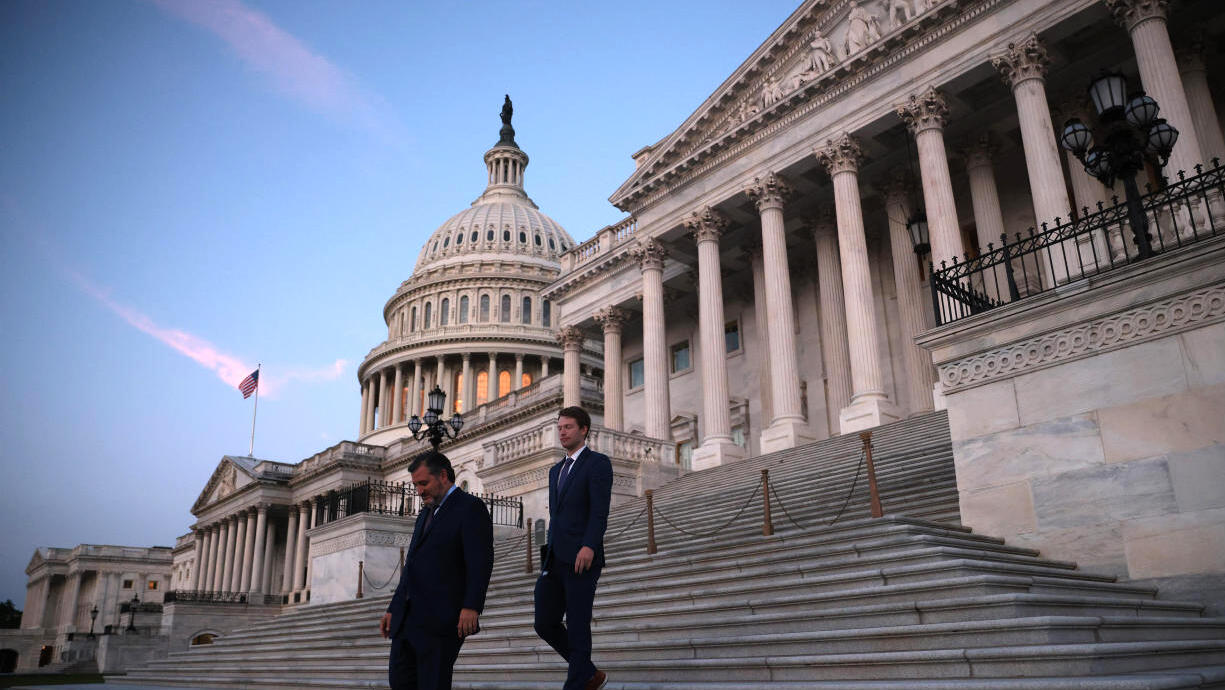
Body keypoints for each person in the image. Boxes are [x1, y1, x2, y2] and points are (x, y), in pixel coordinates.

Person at [380, 451, 493, 690]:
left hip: (442, 619)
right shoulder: (425, 513)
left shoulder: (470, 508)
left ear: (443, 476)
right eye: (416, 485)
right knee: (399, 682)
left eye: (424, 483)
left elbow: (480, 563)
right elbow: (411, 564)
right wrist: (394, 607)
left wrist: (471, 606)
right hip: (408, 619)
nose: (419, 491)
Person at [534, 406, 613, 690]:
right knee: (544, 622)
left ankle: (578, 682)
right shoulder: (556, 469)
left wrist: (589, 545)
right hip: (554, 558)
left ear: (584, 430)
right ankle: (589, 672)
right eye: (560, 427)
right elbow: (556, 517)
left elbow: (599, 511)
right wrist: (546, 556)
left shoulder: (598, 463)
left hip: (582, 557)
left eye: (568, 427)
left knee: (578, 624)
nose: (562, 432)